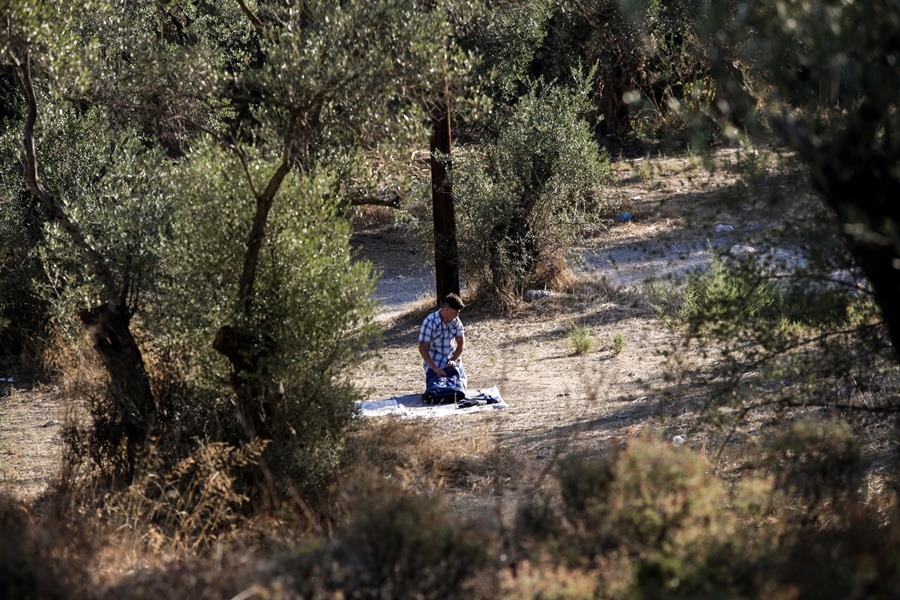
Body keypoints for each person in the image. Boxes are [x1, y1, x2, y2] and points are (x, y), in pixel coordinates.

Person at [418, 293, 467, 391]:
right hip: (434, 364)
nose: (457, 315)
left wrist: (454, 359)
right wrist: (435, 368)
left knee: (461, 390)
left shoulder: (456, 321)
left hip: (452, 362)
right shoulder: (430, 322)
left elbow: (461, 344)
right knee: (439, 392)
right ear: (447, 309)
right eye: (456, 312)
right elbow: (422, 348)